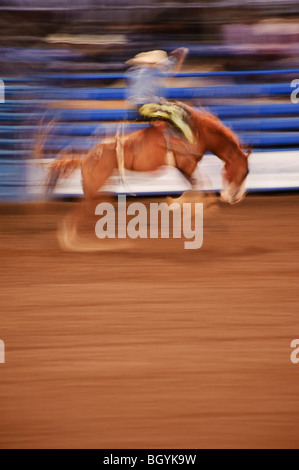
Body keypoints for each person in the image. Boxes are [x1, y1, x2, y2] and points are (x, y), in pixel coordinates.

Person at [125, 48, 193, 144]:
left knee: (171, 111)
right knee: (177, 113)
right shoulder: (151, 73)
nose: (160, 65)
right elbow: (169, 65)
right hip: (145, 107)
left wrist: (177, 56)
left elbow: (168, 64)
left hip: (136, 108)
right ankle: (186, 140)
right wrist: (179, 56)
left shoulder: (135, 72)